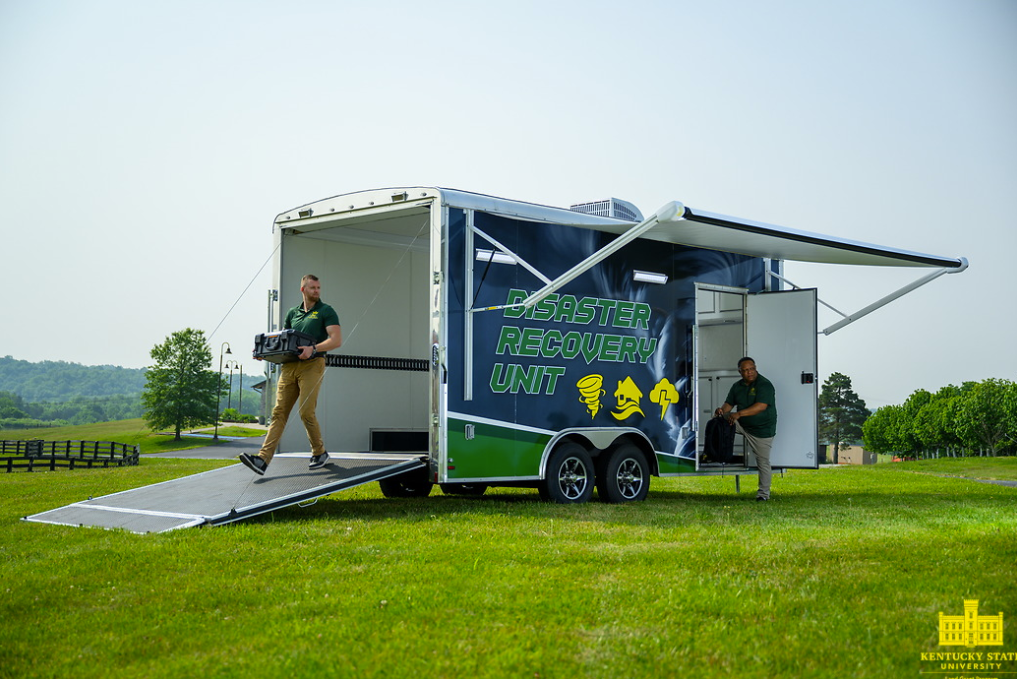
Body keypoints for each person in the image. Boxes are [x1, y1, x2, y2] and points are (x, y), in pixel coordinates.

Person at [240, 274, 342, 476]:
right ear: (303, 289)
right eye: (312, 287)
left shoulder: (326, 311)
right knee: (278, 413)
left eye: (319, 287)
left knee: (306, 412)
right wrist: (264, 354)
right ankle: (262, 460)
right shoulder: (292, 313)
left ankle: (319, 452)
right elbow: (284, 341)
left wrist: (312, 349)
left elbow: (336, 340)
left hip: (313, 364)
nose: (317, 291)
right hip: (289, 366)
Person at [714, 357, 777, 501]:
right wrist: (721, 411)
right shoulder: (737, 386)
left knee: (763, 462)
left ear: (755, 368)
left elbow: (761, 406)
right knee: (717, 422)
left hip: (761, 430)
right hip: (742, 424)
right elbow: (728, 404)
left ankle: (763, 495)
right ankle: (719, 453)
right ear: (740, 372)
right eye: (746, 370)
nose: (750, 372)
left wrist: (739, 414)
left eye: (752, 369)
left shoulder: (765, 385)